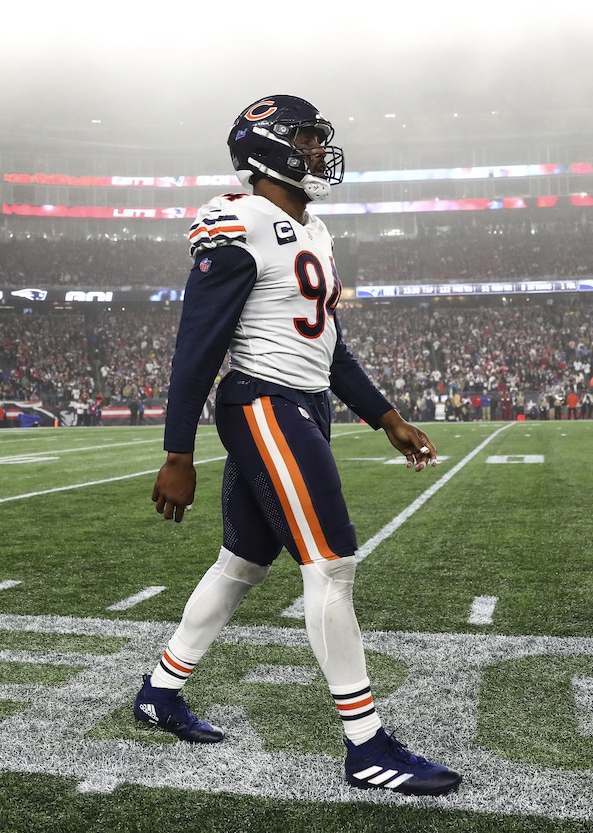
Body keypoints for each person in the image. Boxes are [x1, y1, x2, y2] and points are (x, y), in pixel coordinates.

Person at [135, 95, 461, 797]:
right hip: (263, 403)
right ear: (268, 146)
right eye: (308, 138)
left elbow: (328, 344)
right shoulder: (240, 220)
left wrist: (385, 415)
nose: (318, 151)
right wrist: (178, 451)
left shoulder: (314, 229)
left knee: (245, 561)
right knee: (333, 562)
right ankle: (367, 745)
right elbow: (198, 344)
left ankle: (160, 688)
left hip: (303, 403)